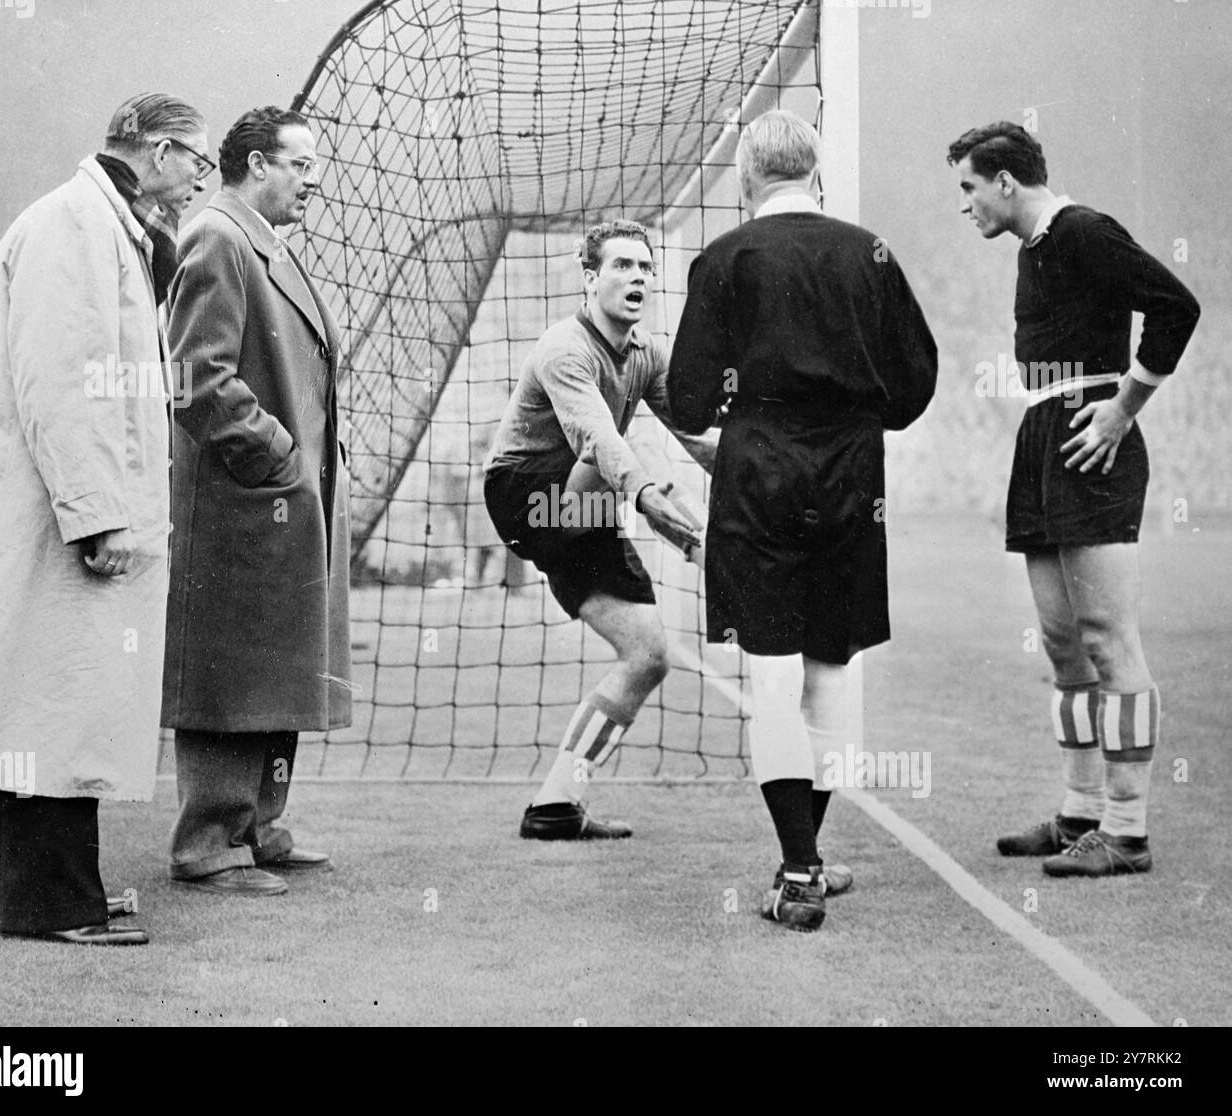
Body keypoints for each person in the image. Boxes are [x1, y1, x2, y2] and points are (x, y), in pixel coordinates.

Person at [0, 92, 209, 945]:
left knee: (37, 701)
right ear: (158, 153)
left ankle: (27, 891)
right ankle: (53, 901)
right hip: (58, 514)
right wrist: (94, 514)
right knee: (58, 698)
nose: (199, 180)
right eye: (196, 162)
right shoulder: (75, 226)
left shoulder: (100, 225)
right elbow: (63, 377)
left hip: (51, 506)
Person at [668, 111, 937, 931]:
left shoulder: (722, 260)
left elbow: (684, 396)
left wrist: (747, 407)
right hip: (853, 471)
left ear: (747, 180)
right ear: (815, 173)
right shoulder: (871, 251)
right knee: (829, 674)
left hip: (760, 472)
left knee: (773, 680)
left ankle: (799, 868)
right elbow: (917, 379)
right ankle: (806, 862)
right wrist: (857, 418)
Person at [948, 122, 1199, 878]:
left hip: (1095, 434)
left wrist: (1124, 407)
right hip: (1044, 435)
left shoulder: (1084, 230)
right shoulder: (1034, 248)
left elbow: (1175, 305)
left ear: (1005, 181)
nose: (965, 206)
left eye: (968, 187)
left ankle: (1127, 833)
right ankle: (1080, 812)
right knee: (1063, 644)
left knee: (1107, 638)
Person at [162, 106, 352, 896]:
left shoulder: (258, 240)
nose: (313, 180)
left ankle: (257, 825)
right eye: (300, 165)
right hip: (244, 504)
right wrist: (280, 458)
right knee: (231, 671)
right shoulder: (218, 237)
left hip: (277, 502)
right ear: (254, 165)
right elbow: (198, 381)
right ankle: (207, 843)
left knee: (276, 669)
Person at [483, 219, 717, 840]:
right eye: (622, 266)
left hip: (582, 505)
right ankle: (704, 550)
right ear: (590, 278)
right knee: (629, 467)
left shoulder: (647, 355)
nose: (638, 276)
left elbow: (697, 438)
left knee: (648, 655)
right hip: (524, 496)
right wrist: (644, 496)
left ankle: (556, 804)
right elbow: (598, 438)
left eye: (645, 267)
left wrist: (770, 457)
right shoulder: (566, 347)